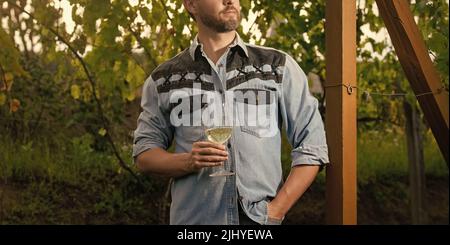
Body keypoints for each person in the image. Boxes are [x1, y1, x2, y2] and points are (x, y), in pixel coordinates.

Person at [133, 0, 329, 225]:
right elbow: (144, 153)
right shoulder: (164, 79)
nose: (230, 0)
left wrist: (275, 211)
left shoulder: (278, 66)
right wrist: (187, 161)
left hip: (260, 224)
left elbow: (312, 146)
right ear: (191, 5)